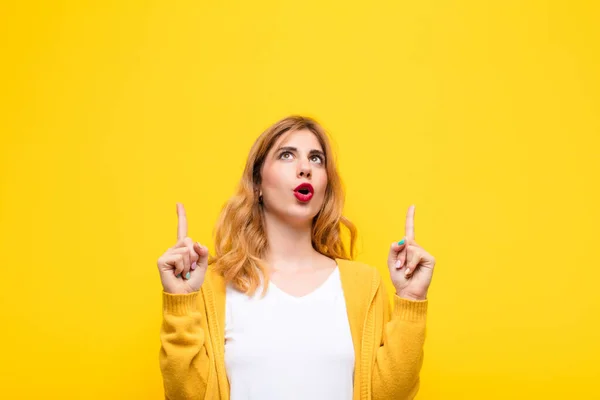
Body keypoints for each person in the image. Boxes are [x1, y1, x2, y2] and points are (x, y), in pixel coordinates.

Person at [157, 115, 436, 400]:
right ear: (257, 184)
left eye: (316, 159)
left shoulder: (363, 284)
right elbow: (185, 395)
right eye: (287, 155)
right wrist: (180, 304)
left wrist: (411, 299)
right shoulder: (213, 285)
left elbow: (389, 396)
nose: (305, 168)